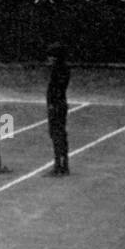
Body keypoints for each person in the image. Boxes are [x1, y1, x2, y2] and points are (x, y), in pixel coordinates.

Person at [46, 42, 70, 176]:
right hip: (60, 104)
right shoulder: (63, 69)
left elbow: (55, 89)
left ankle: (58, 165)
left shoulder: (58, 70)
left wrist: (52, 105)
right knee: (60, 134)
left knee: (56, 135)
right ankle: (63, 164)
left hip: (57, 106)